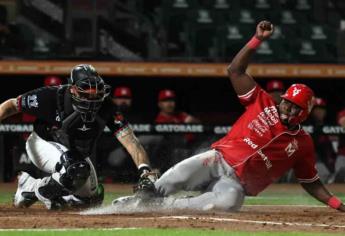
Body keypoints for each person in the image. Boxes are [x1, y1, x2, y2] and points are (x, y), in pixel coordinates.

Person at [113, 21, 345, 212]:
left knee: (230, 202)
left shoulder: (303, 143)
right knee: (174, 178)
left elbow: (310, 181)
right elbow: (235, 70)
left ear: (304, 112)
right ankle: (139, 201)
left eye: (294, 106)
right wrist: (257, 40)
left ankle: (165, 206)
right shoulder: (262, 101)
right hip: (217, 160)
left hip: (235, 183)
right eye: (286, 101)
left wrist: (336, 203)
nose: (286, 107)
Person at [0, 64, 156, 210]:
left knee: (90, 201)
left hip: (74, 154)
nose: (92, 98)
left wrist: (145, 171)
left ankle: (29, 189)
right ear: (73, 89)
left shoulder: (108, 107)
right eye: (85, 91)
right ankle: (40, 190)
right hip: (43, 143)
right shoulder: (51, 96)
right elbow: (12, 105)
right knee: (75, 169)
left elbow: (131, 142)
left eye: (96, 93)